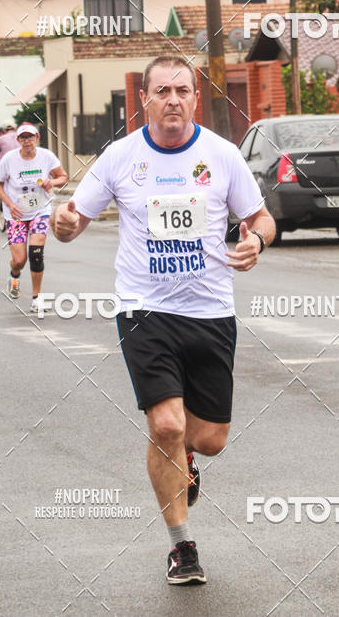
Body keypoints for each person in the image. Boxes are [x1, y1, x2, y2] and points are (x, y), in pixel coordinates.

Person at [51, 55, 275, 585]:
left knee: (209, 438)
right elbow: (72, 222)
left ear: (195, 98)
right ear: (144, 100)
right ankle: (182, 547)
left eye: (182, 90)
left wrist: (257, 240)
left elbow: (260, 216)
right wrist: (61, 224)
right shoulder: (120, 157)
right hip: (143, 309)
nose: (172, 99)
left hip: (210, 311)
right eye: (162, 91)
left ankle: (187, 463)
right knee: (166, 425)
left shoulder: (221, 156)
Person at [0, 122, 68, 313]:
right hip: (17, 215)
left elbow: (63, 177)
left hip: (40, 211)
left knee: (36, 253)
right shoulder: (9, 159)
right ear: (18, 140)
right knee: (20, 259)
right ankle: (14, 273)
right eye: (23, 137)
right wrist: (10, 205)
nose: (27, 141)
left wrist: (51, 181)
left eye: (30, 137)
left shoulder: (46, 156)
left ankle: (37, 298)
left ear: (37, 138)